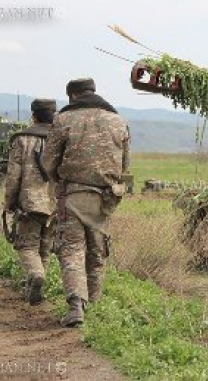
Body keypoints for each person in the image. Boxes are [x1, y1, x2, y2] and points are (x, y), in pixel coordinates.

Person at [42, 78, 130, 327]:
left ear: (72, 96)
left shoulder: (63, 120)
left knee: (71, 250)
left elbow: (48, 161)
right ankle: (95, 304)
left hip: (72, 196)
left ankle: (76, 305)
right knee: (97, 252)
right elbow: (125, 166)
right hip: (106, 198)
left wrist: (57, 180)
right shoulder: (119, 121)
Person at [3, 98, 57, 305]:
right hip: (55, 205)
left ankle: (35, 275)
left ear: (33, 115)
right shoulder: (61, 138)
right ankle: (35, 291)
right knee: (45, 247)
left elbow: (13, 176)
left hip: (29, 204)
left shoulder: (22, 140)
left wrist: (9, 202)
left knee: (26, 246)